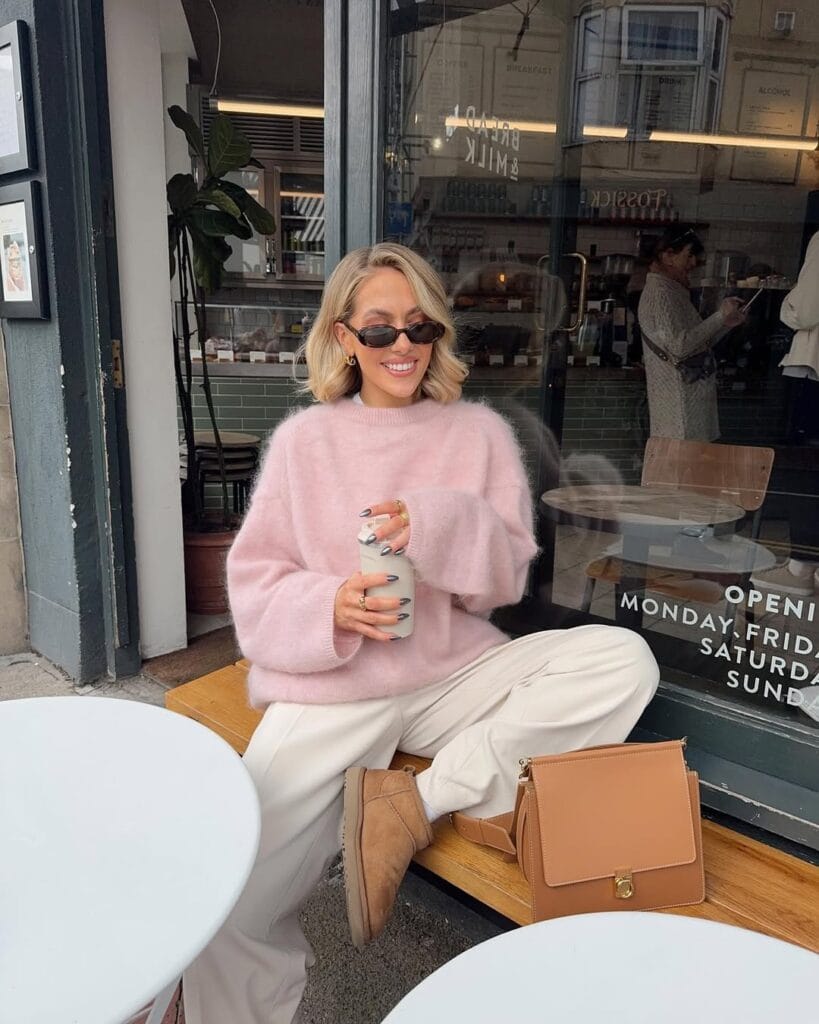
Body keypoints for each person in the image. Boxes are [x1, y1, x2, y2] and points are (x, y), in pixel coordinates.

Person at [182, 242, 660, 1024]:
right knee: (237, 891)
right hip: (342, 683)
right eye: (378, 330)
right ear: (343, 337)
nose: (401, 346)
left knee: (622, 660)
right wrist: (330, 606)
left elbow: (505, 576)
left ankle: (413, 803)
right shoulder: (307, 441)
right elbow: (255, 576)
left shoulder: (477, 436)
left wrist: (436, 524)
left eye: (418, 328)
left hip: (450, 670)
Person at [752, 229, 819, 597]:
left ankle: (801, 568)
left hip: (815, 370)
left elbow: (805, 309)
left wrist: (787, 304)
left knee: (805, 465)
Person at [638, 226, 746, 440]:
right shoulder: (660, 294)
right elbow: (680, 347)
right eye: (689, 255)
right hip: (680, 410)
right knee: (687, 468)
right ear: (668, 255)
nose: (694, 263)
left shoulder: (670, 291)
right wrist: (719, 317)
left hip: (686, 405)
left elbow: (696, 342)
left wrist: (725, 323)